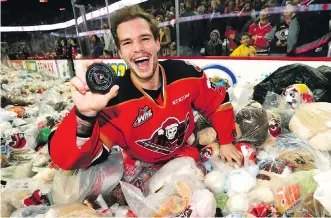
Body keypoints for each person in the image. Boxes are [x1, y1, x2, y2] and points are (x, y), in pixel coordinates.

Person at [49, 5, 242, 170]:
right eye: (127, 43)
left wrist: (225, 141)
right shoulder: (112, 100)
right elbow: (70, 160)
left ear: (157, 43)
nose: (137, 48)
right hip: (141, 168)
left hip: (187, 153)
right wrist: (85, 115)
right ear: (120, 52)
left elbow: (217, 102)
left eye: (145, 39)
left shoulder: (185, 73)